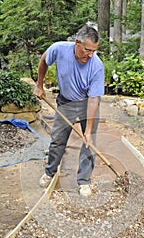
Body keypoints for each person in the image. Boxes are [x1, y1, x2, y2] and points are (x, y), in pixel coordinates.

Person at [34, 25, 105, 197]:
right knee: (58, 139)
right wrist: (39, 85)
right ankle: (50, 172)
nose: (90, 55)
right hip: (65, 102)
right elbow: (44, 60)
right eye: (87, 50)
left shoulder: (96, 66)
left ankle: (84, 181)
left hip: (87, 102)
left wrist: (87, 131)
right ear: (77, 43)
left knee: (89, 142)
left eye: (93, 51)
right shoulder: (59, 49)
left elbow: (94, 100)